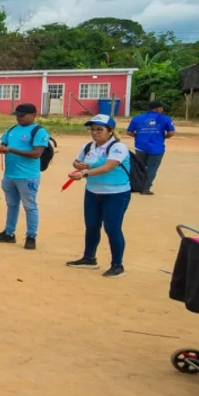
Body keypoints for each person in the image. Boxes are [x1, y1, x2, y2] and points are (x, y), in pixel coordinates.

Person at [67, 115, 133, 277]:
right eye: (92, 129)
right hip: (93, 192)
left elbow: (108, 167)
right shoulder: (89, 146)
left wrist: (84, 173)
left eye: (99, 129)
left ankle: (117, 264)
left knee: (112, 227)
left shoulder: (118, 148)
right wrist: (78, 165)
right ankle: (89, 258)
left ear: (110, 131)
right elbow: (76, 161)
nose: (95, 133)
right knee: (91, 225)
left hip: (115, 194)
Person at [0, 101, 50, 249]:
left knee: (30, 206)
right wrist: (0, 147)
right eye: (17, 115)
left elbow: (36, 153)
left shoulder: (39, 131)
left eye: (22, 116)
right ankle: (9, 233)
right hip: (10, 175)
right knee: (11, 205)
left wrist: (11, 150)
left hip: (27, 176)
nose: (19, 118)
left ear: (33, 115)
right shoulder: (12, 129)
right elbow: (2, 143)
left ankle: (31, 236)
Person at [126, 99, 176, 194]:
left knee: (139, 167)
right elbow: (171, 132)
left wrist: (137, 136)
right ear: (157, 109)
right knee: (152, 168)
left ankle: (136, 185)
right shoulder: (165, 119)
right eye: (161, 108)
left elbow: (129, 132)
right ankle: (145, 188)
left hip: (140, 147)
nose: (162, 110)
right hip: (156, 148)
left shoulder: (137, 118)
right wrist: (164, 137)